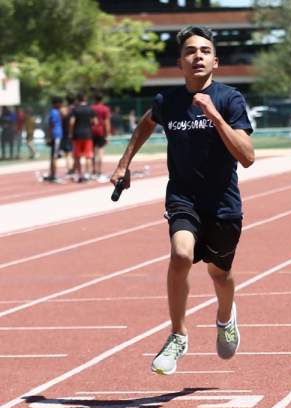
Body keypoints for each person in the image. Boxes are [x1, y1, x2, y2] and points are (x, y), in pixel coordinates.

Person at [110, 25, 255, 375]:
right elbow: (147, 123)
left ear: (215, 61)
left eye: (205, 51)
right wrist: (124, 163)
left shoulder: (229, 99)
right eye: (190, 51)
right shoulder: (168, 102)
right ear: (180, 62)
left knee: (220, 275)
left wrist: (215, 117)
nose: (198, 56)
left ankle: (225, 317)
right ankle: (178, 334)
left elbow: (247, 156)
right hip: (183, 198)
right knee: (180, 255)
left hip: (222, 203)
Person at [69, 94, 97, 182]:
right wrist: (89, 125)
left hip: (77, 135)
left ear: (78, 100)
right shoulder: (90, 109)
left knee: (77, 156)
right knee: (88, 156)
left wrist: (70, 132)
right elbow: (95, 122)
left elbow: (72, 122)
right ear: (85, 98)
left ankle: (80, 175)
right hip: (87, 134)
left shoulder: (75, 109)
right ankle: (87, 174)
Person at [91, 94, 112, 180]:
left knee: (92, 152)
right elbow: (106, 122)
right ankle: (99, 171)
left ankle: (93, 170)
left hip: (91, 131)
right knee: (100, 151)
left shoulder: (91, 108)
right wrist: (107, 133)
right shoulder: (105, 109)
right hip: (101, 132)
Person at [44, 97, 65, 181]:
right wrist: (49, 136)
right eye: (60, 103)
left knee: (54, 156)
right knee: (54, 156)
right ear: (56, 103)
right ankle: (54, 175)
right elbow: (51, 125)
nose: (61, 105)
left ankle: (52, 174)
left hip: (57, 135)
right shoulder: (54, 112)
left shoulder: (56, 112)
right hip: (56, 135)